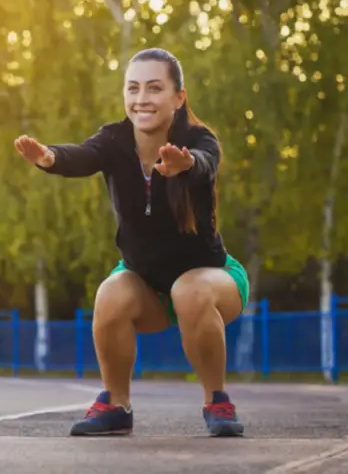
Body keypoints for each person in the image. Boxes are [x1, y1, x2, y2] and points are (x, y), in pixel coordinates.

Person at [14, 48, 248, 438]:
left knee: (188, 290)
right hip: (147, 284)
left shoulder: (198, 139)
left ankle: (217, 400)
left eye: (155, 88)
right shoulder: (114, 140)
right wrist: (50, 157)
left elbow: (206, 162)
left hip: (211, 279)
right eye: (133, 88)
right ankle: (116, 405)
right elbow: (83, 156)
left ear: (178, 97)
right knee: (110, 292)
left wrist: (187, 164)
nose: (142, 98)